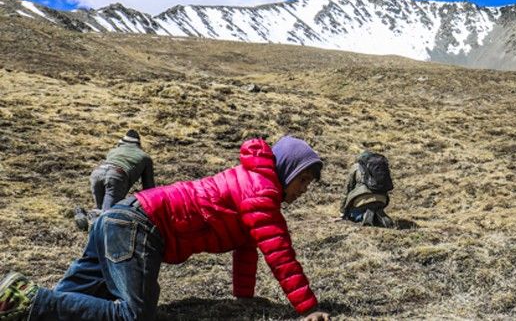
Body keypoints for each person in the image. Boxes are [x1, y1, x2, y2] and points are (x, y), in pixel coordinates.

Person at [0, 136, 331, 321]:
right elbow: (279, 253)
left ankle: (18, 303)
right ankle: (30, 299)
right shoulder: (260, 190)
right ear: (286, 169)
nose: (303, 189)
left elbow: (248, 245)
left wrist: (243, 299)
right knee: (134, 315)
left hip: (120, 216)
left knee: (75, 298)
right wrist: (310, 309)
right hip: (139, 226)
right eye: (303, 179)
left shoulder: (250, 184)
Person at [74, 129, 156, 231]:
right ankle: (92, 223)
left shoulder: (113, 151)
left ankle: (84, 214)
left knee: (100, 209)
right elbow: (149, 188)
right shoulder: (145, 157)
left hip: (97, 173)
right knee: (108, 216)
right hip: (117, 175)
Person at [341, 151, 395, 228]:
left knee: (352, 216)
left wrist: (343, 212)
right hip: (382, 200)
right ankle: (377, 215)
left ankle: (363, 216)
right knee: (374, 206)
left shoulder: (356, 167)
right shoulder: (379, 168)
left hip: (362, 200)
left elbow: (347, 189)